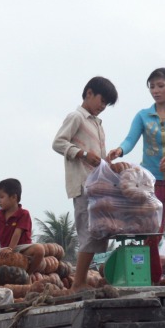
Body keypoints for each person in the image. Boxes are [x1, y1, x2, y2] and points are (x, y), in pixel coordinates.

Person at [108, 67, 165, 285]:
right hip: (150, 181)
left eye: (160, 86)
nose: (155, 91)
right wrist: (119, 150)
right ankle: (152, 279)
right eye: (152, 87)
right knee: (151, 230)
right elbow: (130, 140)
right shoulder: (143, 116)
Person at [52, 76, 119, 291]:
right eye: (102, 100)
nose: (103, 106)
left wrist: (109, 160)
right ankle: (78, 283)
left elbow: (97, 158)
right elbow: (58, 142)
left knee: (101, 232)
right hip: (83, 185)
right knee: (89, 233)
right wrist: (81, 153)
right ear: (89, 93)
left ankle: (95, 278)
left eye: (106, 104)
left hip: (98, 186)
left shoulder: (98, 124)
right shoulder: (76, 117)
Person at [0, 178, 35, 287]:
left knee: (40, 250)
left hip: (22, 247)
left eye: (1, 197)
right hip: (5, 249)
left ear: (14, 197)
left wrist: (11, 248)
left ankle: (28, 274)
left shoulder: (23, 214)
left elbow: (17, 233)